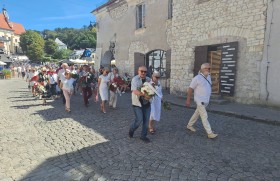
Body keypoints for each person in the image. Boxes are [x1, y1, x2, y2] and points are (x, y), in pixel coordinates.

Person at [185, 63, 218, 139]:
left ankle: (189, 125)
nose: (209, 70)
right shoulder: (197, 78)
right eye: (207, 68)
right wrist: (188, 100)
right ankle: (209, 133)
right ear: (202, 69)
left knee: (197, 113)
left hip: (206, 101)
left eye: (209, 68)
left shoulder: (209, 77)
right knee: (204, 116)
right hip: (200, 101)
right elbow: (190, 89)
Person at [128, 66, 152, 143]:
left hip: (147, 103)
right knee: (139, 120)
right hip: (137, 103)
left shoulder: (148, 79)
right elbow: (134, 91)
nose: (143, 73)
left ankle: (143, 136)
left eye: (145, 72)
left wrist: (150, 95)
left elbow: (152, 90)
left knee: (146, 121)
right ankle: (132, 129)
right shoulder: (135, 79)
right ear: (138, 71)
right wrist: (144, 95)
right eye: (142, 71)